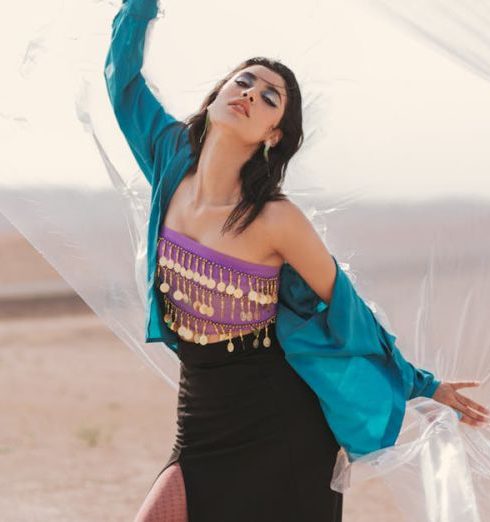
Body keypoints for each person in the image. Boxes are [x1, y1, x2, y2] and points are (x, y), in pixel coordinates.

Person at [104, 1, 490, 520]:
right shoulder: (170, 159)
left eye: (269, 99)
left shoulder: (275, 219)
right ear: (217, 93)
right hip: (201, 416)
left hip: (283, 422)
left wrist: (422, 382)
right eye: (243, 81)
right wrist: (138, 8)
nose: (249, 94)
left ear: (273, 135)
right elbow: (122, 82)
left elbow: (349, 314)